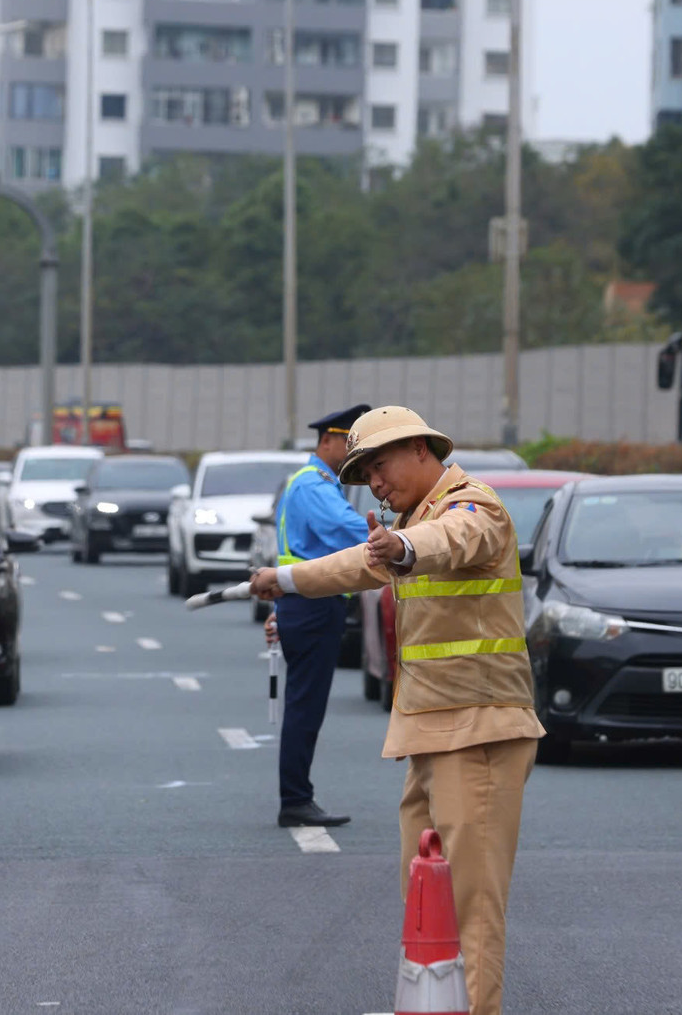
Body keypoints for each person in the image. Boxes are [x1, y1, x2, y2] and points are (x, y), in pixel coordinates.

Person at [250, 405, 540, 1015]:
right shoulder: (415, 517)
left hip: (479, 731)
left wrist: (403, 545)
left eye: (379, 467)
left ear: (419, 449)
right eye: (364, 476)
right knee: (426, 897)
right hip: (432, 732)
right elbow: (359, 564)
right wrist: (288, 579)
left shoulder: (472, 506)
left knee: (470, 907)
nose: (374, 485)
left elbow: (448, 541)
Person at [268, 402, 373, 829]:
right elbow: (349, 530)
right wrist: (409, 538)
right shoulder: (314, 485)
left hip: (305, 602)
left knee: (304, 705)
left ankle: (297, 796)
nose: (356, 454)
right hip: (312, 604)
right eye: (351, 444)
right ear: (328, 440)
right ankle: (295, 800)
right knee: (305, 708)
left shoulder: (314, 482)